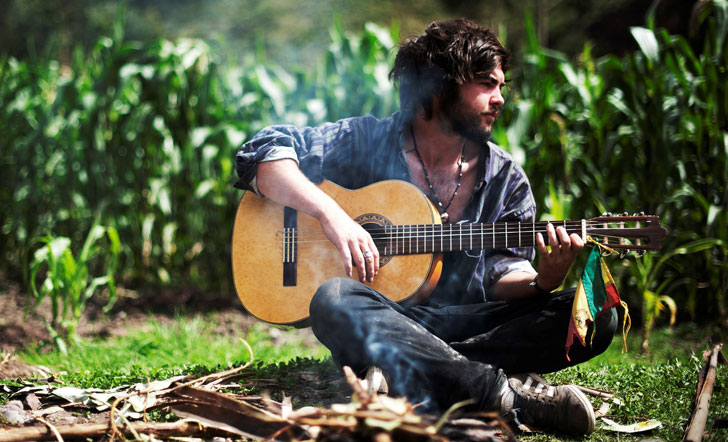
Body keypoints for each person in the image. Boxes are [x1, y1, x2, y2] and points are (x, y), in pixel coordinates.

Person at [234, 18, 616, 436]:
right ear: (439, 86)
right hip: (385, 316)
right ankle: (502, 395)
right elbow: (262, 154)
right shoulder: (366, 140)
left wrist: (544, 279)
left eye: (501, 86)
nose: (500, 98)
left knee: (596, 313)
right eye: (487, 84)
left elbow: (504, 274)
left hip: (467, 322)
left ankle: (406, 372)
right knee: (334, 296)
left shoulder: (506, 178)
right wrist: (333, 216)